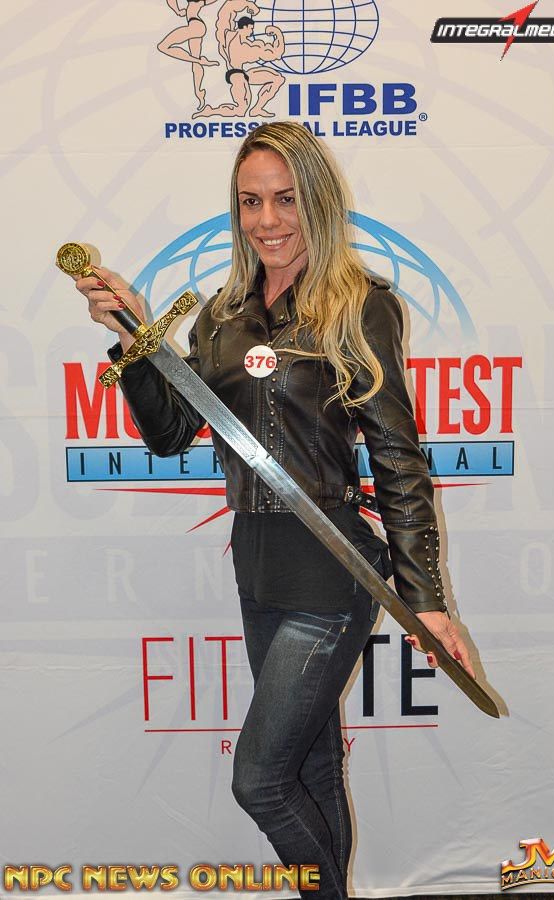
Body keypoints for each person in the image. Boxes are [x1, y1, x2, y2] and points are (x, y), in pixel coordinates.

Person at [74, 121, 474, 900]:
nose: (268, 220)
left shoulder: (360, 307)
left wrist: (426, 597)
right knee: (310, 764)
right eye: (251, 202)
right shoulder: (223, 314)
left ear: (316, 200)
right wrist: (132, 335)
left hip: (332, 573)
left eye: (285, 199)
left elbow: (398, 457)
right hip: (256, 568)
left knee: (258, 779)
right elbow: (170, 433)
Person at [195, 0, 285, 119]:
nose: (252, 32)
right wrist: (248, 4)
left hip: (244, 74)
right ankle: (210, 111)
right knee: (240, 111)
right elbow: (226, 11)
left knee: (277, 78)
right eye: (251, 28)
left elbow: (276, 54)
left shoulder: (242, 41)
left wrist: (278, 34)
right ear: (245, 27)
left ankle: (257, 109)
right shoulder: (230, 38)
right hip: (236, 75)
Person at [157, 0, 220, 114]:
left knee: (163, 46)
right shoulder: (202, 2)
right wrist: (177, 10)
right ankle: (199, 93)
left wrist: (177, 11)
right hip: (197, 25)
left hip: (195, 26)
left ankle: (201, 61)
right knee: (195, 64)